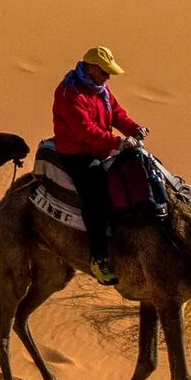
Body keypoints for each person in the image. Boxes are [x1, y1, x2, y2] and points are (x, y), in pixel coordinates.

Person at [51, 45, 145, 283]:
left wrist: (134, 129)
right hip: (78, 153)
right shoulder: (69, 93)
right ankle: (98, 258)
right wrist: (117, 142)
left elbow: (116, 113)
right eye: (104, 72)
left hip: (102, 148)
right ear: (91, 68)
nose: (108, 77)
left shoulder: (100, 89)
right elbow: (84, 131)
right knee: (97, 199)